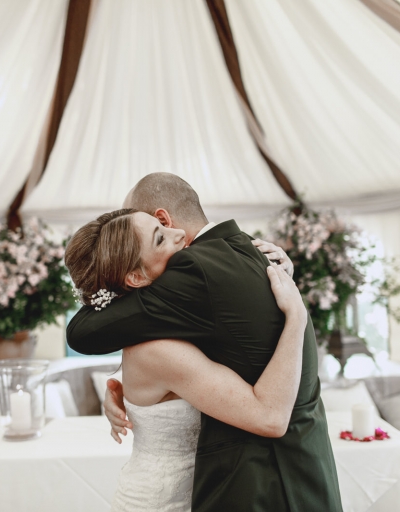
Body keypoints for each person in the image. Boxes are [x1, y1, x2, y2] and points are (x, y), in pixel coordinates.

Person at [67, 173, 342, 512]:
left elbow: (84, 331)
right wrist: (131, 387)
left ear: (163, 216)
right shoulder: (244, 249)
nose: (177, 236)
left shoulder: (194, 267)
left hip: (265, 480)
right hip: (302, 464)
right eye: (157, 238)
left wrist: (297, 319)